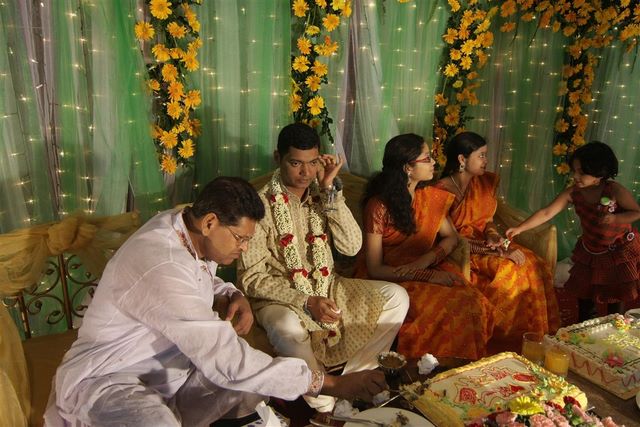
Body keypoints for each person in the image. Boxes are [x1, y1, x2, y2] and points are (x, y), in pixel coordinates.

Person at [44, 177, 387, 427]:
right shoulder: (161, 261)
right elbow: (227, 361)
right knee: (177, 410)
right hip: (109, 378)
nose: (243, 248)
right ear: (210, 222)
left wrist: (231, 293)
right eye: (240, 239)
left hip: (167, 367)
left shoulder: (182, 225)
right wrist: (331, 384)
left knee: (250, 390)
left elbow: (196, 277)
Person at [237, 123, 409, 414]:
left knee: (396, 297)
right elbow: (251, 278)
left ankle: (353, 382)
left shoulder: (323, 195)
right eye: (296, 163)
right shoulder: (257, 206)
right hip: (279, 298)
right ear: (278, 158)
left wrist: (330, 190)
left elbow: (352, 246)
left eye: (312, 162)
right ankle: (326, 404)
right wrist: (305, 301)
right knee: (287, 327)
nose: (305, 173)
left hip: (328, 286)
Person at [355, 133, 496, 360]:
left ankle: (460, 370)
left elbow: (451, 238)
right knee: (436, 309)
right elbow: (375, 268)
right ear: (408, 168)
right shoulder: (378, 206)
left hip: (425, 267)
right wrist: (425, 275)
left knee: (472, 301)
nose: (434, 163)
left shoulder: (429, 197)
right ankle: (423, 370)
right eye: (427, 158)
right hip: (390, 276)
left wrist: (424, 262)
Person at [434, 131, 560, 352]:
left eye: (486, 155)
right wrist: (497, 252)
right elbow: (451, 239)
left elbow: (488, 220)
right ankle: (504, 343)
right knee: (511, 272)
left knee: (534, 263)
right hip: (459, 251)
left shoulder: (485, 183)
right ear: (462, 159)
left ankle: (535, 338)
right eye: (481, 155)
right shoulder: (440, 190)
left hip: (486, 243)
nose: (486, 160)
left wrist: (493, 235)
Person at [507, 141, 640, 321]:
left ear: (599, 174)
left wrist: (616, 219)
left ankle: (615, 329)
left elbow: (636, 212)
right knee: (585, 294)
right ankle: (584, 328)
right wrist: (519, 228)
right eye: (574, 171)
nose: (575, 176)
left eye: (581, 172)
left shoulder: (614, 190)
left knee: (615, 296)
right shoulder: (573, 193)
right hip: (590, 251)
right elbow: (547, 212)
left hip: (617, 251)